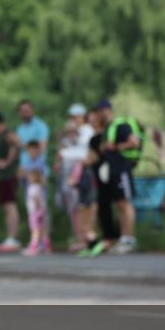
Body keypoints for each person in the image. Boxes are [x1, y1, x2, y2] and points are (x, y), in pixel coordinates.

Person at [81, 99, 142, 257]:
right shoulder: (108, 130)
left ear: (106, 110)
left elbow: (134, 142)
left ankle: (129, 239)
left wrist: (116, 147)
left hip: (122, 169)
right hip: (114, 172)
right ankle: (123, 238)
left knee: (124, 203)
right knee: (120, 204)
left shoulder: (120, 125)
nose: (98, 115)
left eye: (100, 111)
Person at [54, 103, 95, 251]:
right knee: (73, 207)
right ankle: (79, 238)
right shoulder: (69, 133)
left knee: (83, 205)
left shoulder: (88, 131)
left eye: (77, 116)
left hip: (81, 171)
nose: (75, 119)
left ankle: (86, 239)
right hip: (67, 171)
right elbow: (62, 151)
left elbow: (85, 153)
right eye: (72, 116)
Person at [0, 112, 22, 252]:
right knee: (6, 207)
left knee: (10, 205)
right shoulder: (1, 136)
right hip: (2, 176)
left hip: (8, 175)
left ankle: (13, 238)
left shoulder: (7, 133)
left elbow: (18, 144)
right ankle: (10, 237)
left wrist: (8, 162)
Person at [15, 99, 49, 177]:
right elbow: (18, 150)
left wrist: (24, 146)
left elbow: (42, 148)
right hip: (23, 171)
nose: (25, 112)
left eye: (27, 110)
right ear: (19, 112)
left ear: (32, 110)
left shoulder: (41, 126)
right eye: (22, 110)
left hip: (37, 171)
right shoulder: (19, 129)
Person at [22, 168, 50, 256]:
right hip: (41, 211)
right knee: (42, 229)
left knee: (35, 229)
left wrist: (37, 208)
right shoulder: (39, 186)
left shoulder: (32, 187)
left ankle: (33, 247)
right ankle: (46, 246)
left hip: (35, 212)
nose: (28, 178)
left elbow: (35, 198)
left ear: (34, 178)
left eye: (30, 177)